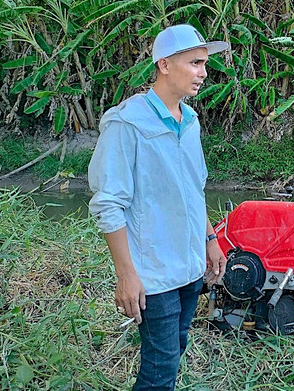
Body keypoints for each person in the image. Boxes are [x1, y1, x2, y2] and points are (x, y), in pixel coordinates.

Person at [89, 24, 229, 390]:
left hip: (188, 267)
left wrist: (210, 239)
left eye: (205, 65)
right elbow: (108, 204)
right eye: (195, 63)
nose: (203, 73)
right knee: (160, 367)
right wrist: (127, 275)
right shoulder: (127, 123)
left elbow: (192, 190)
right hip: (153, 274)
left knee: (175, 349)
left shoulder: (191, 121)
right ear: (165, 65)